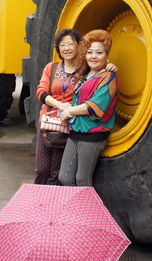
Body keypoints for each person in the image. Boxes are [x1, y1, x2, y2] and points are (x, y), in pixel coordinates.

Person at [35, 28, 117, 185]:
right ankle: (41, 201)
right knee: (43, 170)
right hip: (51, 122)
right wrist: (62, 106)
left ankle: (61, 204)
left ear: (79, 47)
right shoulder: (52, 68)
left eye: (70, 44)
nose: (66, 48)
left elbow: (96, 97)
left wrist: (111, 66)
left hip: (70, 124)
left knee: (58, 172)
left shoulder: (84, 71)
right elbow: (41, 92)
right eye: (62, 44)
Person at [58, 29, 118, 187]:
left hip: (93, 134)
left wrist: (69, 111)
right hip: (75, 131)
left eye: (99, 52)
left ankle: (84, 211)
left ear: (106, 55)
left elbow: (95, 106)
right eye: (90, 52)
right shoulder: (83, 76)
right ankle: (75, 210)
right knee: (64, 177)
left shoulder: (109, 77)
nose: (94, 56)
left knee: (82, 179)